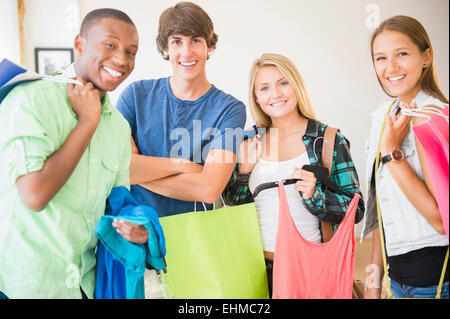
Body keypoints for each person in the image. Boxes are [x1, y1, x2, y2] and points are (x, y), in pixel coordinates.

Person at [0, 8, 147, 299]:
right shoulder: (30, 99)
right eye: (110, 44)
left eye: (131, 52)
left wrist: (140, 231)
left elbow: (117, 205)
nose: (121, 59)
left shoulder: (118, 126)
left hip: (84, 286)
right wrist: (87, 122)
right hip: (26, 286)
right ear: (79, 44)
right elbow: (34, 195)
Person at [223, 53, 364, 297]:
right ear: (256, 97)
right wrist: (244, 171)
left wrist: (314, 195)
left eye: (283, 83)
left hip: (312, 271)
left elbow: (357, 208)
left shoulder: (327, 140)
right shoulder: (248, 140)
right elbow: (235, 204)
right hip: (257, 272)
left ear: (296, 85)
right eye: (264, 88)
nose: (275, 94)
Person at [116, 2, 246, 217]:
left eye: (196, 41)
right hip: (134, 233)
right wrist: (183, 165)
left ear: (210, 46)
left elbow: (208, 189)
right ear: (165, 48)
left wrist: (138, 172)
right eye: (177, 42)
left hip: (193, 239)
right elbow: (118, 167)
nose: (186, 52)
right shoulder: (135, 96)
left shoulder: (229, 110)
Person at [361, 15, 449, 299]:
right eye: (381, 58)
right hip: (396, 279)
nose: (391, 68)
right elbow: (381, 212)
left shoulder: (432, 118)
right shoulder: (383, 117)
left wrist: (390, 154)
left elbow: (441, 219)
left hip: (435, 278)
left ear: (426, 57)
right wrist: (374, 282)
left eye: (402, 54)